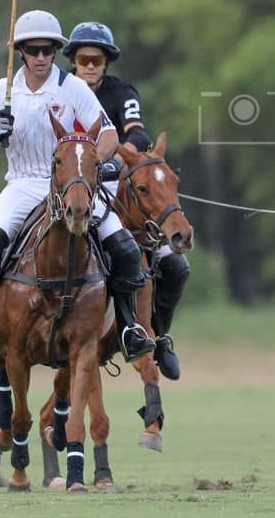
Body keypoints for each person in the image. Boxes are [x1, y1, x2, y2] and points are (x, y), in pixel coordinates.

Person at [0, 10, 157, 364]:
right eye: (33, 50)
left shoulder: (72, 87)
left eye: (48, 50)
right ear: (21, 52)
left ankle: (129, 329)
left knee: (125, 249)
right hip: (23, 183)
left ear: (56, 51)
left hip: (71, 183)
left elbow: (106, 132)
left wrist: (97, 162)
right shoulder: (4, 90)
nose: (41, 57)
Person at [64, 21, 189, 380]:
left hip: (116, 186)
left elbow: (137, 132)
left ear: (106, 63)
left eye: (97, 59)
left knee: (177, 266)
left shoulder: (122, 92)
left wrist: (120, 158)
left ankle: (158, 336)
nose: (89, 65)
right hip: (69, 187)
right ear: (73, 60)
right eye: (83, 57)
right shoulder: (59, 90)